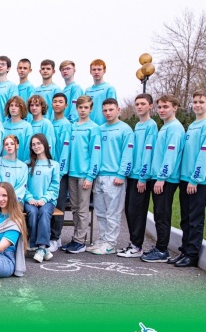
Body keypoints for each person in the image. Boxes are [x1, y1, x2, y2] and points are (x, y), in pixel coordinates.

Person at [173, 89, 206, 267]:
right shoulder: (192, 125)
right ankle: (184, 250)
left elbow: (205, 154)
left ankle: (192, 254)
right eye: (195, 102)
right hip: (186, 178)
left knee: (195, 218)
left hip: (198, 181)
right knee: (185, 218)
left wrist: (195, 179)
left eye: (201, 102)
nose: (197, 105)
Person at [140, 95, 185, 263]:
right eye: (159, 107)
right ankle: (160, 246)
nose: (162, 110)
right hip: (159, 177)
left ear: (175, 108)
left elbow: (170, 156)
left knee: (162, 214)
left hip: (166, 180)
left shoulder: (174, 128)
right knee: (159, 214)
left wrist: (162, 178)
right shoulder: (166, 127)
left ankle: (162, 250)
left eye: (166, 107)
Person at [87, 98, 133, 255]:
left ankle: (111, 243)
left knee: (112, 213)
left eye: (111, 110)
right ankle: (103, 239)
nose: (108, 113)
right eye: (105, 110)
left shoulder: (125, 130)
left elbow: (128, 153)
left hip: (115, 178)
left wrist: (121, 174)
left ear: (118, 110)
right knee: (100, 212)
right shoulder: (99, 129)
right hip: (100, 176)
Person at [119, 93, 157, 258]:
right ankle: (133, 243)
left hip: (141, 177)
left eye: (143, 104)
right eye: (137, 104)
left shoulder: (151, 126)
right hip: (132, 175)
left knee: (137, 211)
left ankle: (137, 246)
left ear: (150, 106)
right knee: (129, 210)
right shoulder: (138, 125)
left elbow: (148, 153)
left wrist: (143, 177)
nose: (139, 107)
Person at [63, 95, 101, 254]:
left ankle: (80, 241)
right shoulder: (72, 126)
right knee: (75, 208)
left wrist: (90, 176)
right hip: (72, 173)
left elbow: (95, 154)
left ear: (91, 109)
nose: (83, 110)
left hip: (85, 175)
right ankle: (75, 238)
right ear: (76, 108)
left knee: (83, 209)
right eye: (80, 107)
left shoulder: (94, 128)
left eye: (86, 107)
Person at [24, 134, 60, 263]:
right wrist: (29, 198)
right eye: (33, 144)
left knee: (44, 212)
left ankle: (41, 247)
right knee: (33, 212)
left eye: (38, 143)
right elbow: (23, 185)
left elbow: (55, 187)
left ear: (44, 144)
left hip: (47, 201)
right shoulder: (27, 165)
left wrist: (44, 199)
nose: (36, 146)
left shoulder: (54, 165)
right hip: (31, 200)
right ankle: (39, 247)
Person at [49, 93, 72, 252]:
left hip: (59, 173)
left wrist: (61, 171)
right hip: (48, 170)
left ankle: (56, 237)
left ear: (66, 105)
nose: (57, 104)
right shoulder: (50, 123)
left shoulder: (66, 125)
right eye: (55, 101)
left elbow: (65, 150)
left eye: (60, 102)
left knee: (58, 205)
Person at [0, 135, 28, 206]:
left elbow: (21, 187)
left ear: (17, 146)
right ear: (4, 147)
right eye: (6, 144)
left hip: (15, 201)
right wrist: (1, 198)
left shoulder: (23, 166)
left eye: (12, 144)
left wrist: (9, 200)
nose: (9, 146)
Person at [85, 59, 117, 125]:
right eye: (94, 69)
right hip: (89, 127)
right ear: (90, 72)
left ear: (104, 71)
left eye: (99, 69)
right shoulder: (87, 90)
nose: (96, 72)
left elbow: (113, 110)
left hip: (104, 127)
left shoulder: (109, 88)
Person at [3, 96, 32, 162]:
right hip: (4, 163)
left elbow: (27, 148)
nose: (13, 108)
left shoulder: (27, 126)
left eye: (16, 106)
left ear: (21, 108)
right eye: (11, 105)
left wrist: (24, 164)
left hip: (20, 164)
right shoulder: (3, 125)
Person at [0, 56, 18, 122]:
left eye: (3, 64)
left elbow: (13, 107)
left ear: (8, 68)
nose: (0, 66)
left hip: (5, 123)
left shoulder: (12, 86)